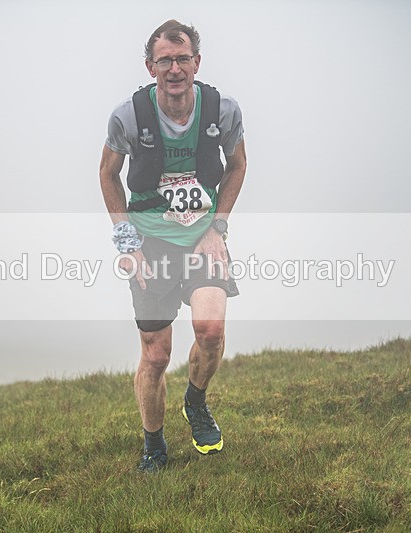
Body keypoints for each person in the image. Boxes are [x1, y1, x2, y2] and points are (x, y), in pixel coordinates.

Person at [99, 20, 247, 472]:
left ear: (196, 62)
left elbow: (237, 165)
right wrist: (128, 241)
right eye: (165, 60)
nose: (175, 68)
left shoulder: (222, 110)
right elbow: (107, 175)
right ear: (150, 67)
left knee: (211, 331)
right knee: (156, 354)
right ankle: (154, 444)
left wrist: (217, 228)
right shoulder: (128, 116)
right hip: (152, 244)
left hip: (203, 237)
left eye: (183, 59)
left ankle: (196, 402)